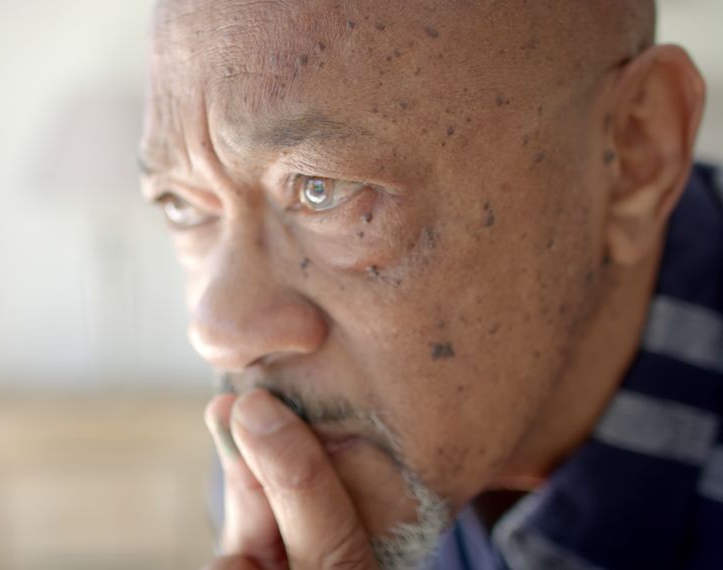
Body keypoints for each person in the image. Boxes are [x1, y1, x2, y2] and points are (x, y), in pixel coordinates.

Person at [137, 0, 720, 568]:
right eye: (182, 206)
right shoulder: (306, 443)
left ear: (634, 149)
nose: (220, 335)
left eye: (321, 187)